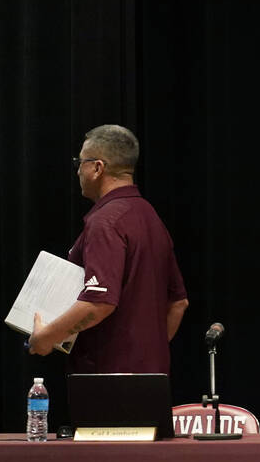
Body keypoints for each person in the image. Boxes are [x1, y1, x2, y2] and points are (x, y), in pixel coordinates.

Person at [28, 124, 189, 374]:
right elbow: (179, 303)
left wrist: (45, 337)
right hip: (152, 380)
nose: (77, 171)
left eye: (79, 162)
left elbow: (98, 303)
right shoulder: (150, 217)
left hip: (107, 380)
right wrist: (146, 357)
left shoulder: (105, 221)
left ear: (97, 167)